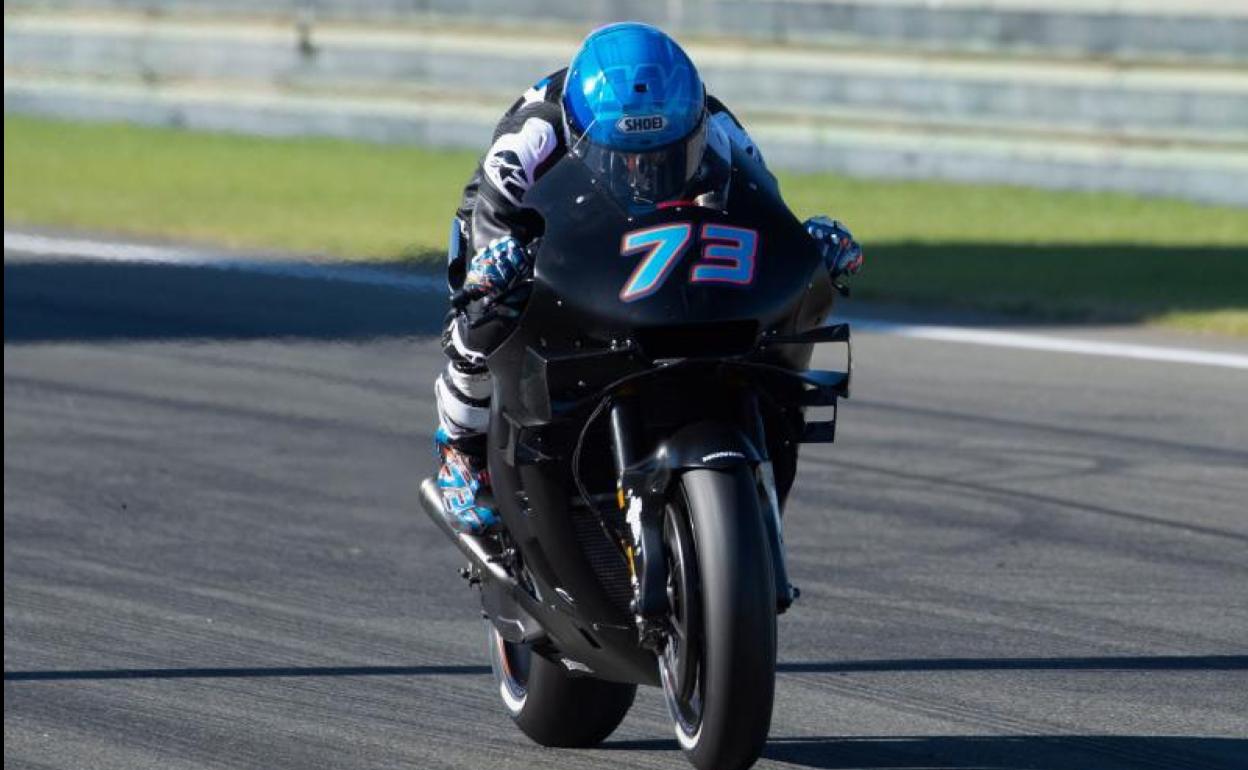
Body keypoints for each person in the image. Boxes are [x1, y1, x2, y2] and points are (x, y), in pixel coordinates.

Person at [434, 22, 863, 534]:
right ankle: (460, 448)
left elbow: (765, 207)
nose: (644, 171)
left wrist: (810, 247)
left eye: (663, 154)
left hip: (660, 236)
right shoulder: (531, 137)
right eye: (628, 157)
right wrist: (493, 265)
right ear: (581, 133)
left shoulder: (718, 127)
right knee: (486, 307)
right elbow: (492, 218)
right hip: (547, 218)